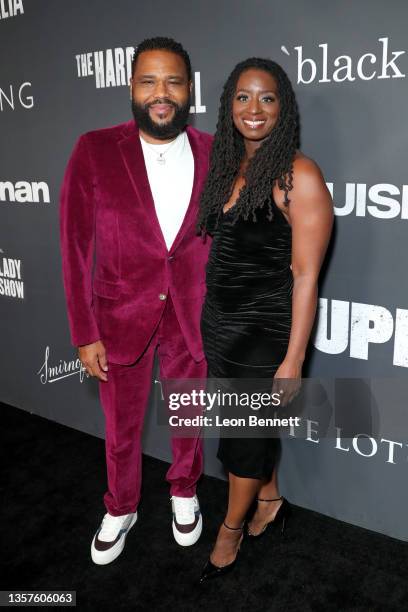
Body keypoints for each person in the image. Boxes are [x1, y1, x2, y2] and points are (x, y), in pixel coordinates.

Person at [60, 37, 213, 565]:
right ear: (131, 87)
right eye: (148, 81)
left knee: (187, 415)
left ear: (189, 88)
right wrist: (84, 332)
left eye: (172, 81)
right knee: (121, 427)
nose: (161, 93)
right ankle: (121, 505)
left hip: (192, 314)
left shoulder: (216, 152)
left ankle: (184, 490)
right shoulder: (95, 148)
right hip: (119, 314)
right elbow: (75, 245)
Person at [197, 57, 333, 581]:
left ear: (284, 107)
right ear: (229, 104)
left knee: (242, 440)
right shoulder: (229, 166)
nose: (254, 109)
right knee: (246, 430)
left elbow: (304, 275)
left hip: (264, 334)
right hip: (221, 326)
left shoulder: (298, 174)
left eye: (268, 98)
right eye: (243, 97)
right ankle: (271, 501)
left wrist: (294, 359)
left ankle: (228, 536)